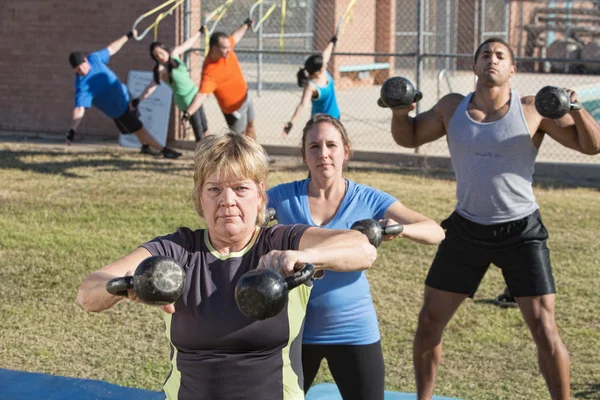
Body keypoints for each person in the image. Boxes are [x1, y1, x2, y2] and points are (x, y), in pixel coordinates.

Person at [76, 132, 378, 400]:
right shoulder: (177, 251)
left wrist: (303, 257)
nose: (227, 201)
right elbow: (88, 292)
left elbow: (362, 248)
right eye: (215, 189)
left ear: (260, 194)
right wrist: (126, 285)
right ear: (200, 197)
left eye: (240, 189)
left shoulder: (282, 241)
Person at [386, 37, 600, 400]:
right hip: (466, 228)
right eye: (485, 54)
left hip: (522, 231)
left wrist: (576, 107)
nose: (492, 59)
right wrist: (398, 111)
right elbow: (408, 137)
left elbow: (591, 145)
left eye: (501, 55)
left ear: (512, 69)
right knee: (428, 321)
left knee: (544, 328)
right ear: (474, 66)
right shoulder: (451, 108)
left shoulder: (534, 109)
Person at [267, 114, 445, 400]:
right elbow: (242, 212)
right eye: (314, 146)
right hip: (296, 332)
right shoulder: (282, 197)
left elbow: (435, 231)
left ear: (345, 151)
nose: (323, 154)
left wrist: (398, 229)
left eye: (331, 145)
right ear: (304, 154)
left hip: (353, 330)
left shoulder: (369, 199)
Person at [67, 30, 181, 159]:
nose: (82, 69)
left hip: (126, 95)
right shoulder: (82, 86)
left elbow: (112, 48)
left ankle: (145, 147)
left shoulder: (94, 59)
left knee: (137, 122)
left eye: (82, 65)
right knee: (138, 128)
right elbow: (79, 108)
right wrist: (72, 130)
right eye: (78, 69)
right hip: (119, 110)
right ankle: (164, 150)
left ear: (86, 60)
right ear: (74, 70)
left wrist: (127, 36)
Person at [184, 19, 257, 139]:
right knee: (240, 141)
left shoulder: (227, 48)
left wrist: (246, 25)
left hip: (245, 97)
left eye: (229, 47)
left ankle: (258, 156)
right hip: (234, 110)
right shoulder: (210, 71)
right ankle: (247, 157)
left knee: (251, 126)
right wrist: (188, 113)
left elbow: (236, 36)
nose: (229, 50)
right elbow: (201, 95)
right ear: (214, 48)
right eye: (225, 48)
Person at [135, 26, 209, 143]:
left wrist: (199, 33)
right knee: (199, 132)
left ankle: (211, 155)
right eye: (156, 56)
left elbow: (187, 44)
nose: (159, 56)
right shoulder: (161, 70)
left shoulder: (174, 54)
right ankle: (201, 159)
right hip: (185, 101)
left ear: (164, 49)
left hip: (195, 95)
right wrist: (138, 99)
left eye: (160, 52)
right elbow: (151, 87)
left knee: (205, 127)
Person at [281, 36, 341, 136]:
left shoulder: (322, 70)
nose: (325, 65)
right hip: (320, 123)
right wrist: (291, 123)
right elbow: (302, 105)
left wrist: (332, 42)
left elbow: (326, 54)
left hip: (335, 117)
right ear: (316, 72)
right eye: (323, 66)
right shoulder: (311, 86)